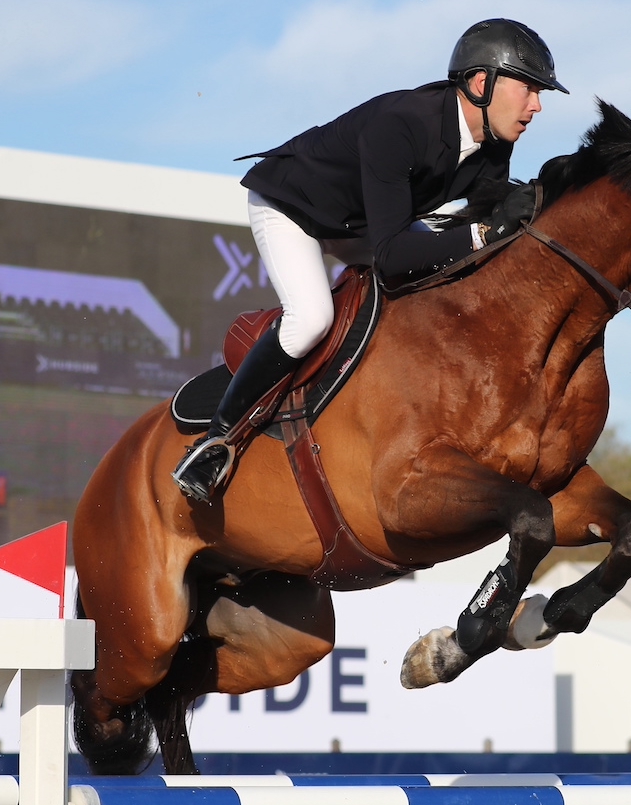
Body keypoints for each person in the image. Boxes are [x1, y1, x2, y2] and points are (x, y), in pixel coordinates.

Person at [172, 18, 567, 503]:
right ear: (482, 83)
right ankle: (215, 441)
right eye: (528, 88)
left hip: (361, 223)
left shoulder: (494, 145)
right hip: (293, 209)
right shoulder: (402, 123)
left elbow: (483, 216)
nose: (537, 105)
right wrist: (486, 230)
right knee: (311, 318)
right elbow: (394, 256)